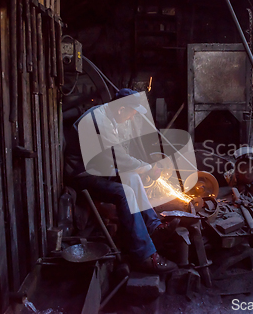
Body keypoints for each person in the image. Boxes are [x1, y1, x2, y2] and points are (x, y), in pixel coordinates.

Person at [63, 88, 178, 274]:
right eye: (132, 113)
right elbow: (119, 158)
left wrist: (141, 167)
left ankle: (154, 228)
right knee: (124, 192)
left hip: (99, 168)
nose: (132, 117)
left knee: (132, 177)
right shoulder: (99, 121)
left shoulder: (109, 116)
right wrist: (147, 168)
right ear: (121, 109)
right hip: (82, 174)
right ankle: (144, 256)